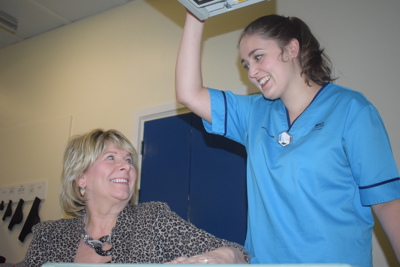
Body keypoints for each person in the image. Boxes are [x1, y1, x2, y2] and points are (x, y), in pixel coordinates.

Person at [175, 11, 400, 267]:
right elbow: (188, 93)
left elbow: (388, 204)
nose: (251, 72)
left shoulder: (351, 109)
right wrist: (196, 13)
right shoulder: (253, 113)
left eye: (258, 57)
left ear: (291, 48)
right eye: (246, 64)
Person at [24, 129, 249, 266]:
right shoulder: (49, 236)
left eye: (129, 160)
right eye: (111, 158)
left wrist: (225, 256)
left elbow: (238, 254)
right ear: (81, 178)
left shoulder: (152, 220)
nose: (126, 166)